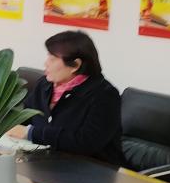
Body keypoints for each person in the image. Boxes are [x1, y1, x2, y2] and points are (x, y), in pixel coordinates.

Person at [7, 30, 124, 165]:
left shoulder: (104, 95)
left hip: (93, 170)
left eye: (52, 59)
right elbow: (23, 116)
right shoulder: (44, 85)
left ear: (75, 65)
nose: (46, 63)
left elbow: (87, 142)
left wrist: (32, 133)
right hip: (45, 164)